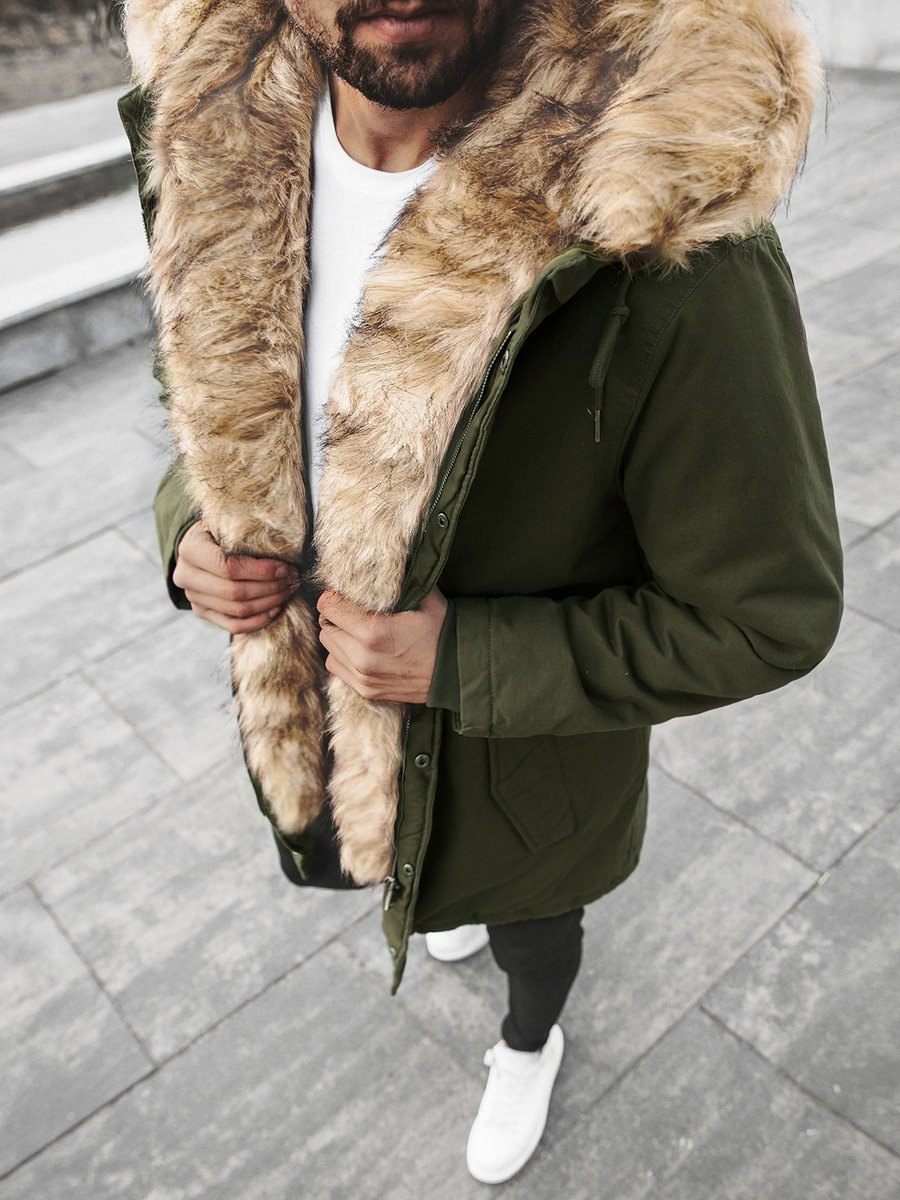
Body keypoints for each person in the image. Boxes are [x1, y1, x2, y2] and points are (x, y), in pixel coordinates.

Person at [118, 0, 842, 1183]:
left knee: (534, 930)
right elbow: (212, 403)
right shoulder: (220, 134)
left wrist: (466, 659)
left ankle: (529, 1041)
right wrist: (189, 528)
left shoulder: (664, 218)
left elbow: (771, 614)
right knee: (428, 875)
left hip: (532, 778)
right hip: (341, 727)